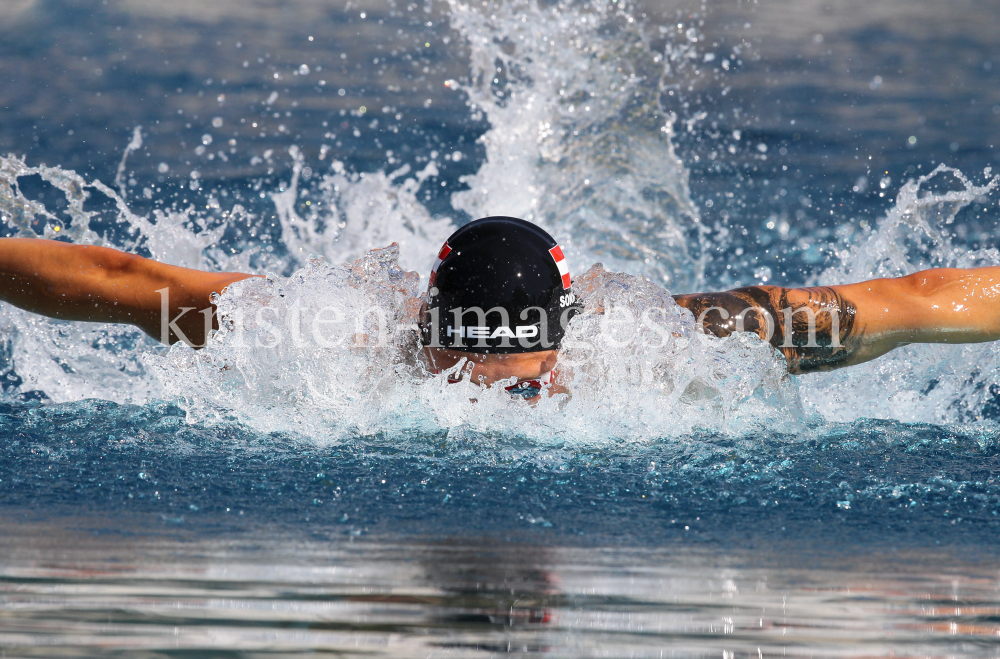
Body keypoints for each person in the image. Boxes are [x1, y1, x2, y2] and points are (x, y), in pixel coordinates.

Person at [2, 215, 1000, 400]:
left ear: (567, 336)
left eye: (521, 387)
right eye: (460, 374)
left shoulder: (669, 344)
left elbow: (908, 300)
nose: (484, 402)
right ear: (422, 334)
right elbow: (112, 278)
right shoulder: (323, 332)